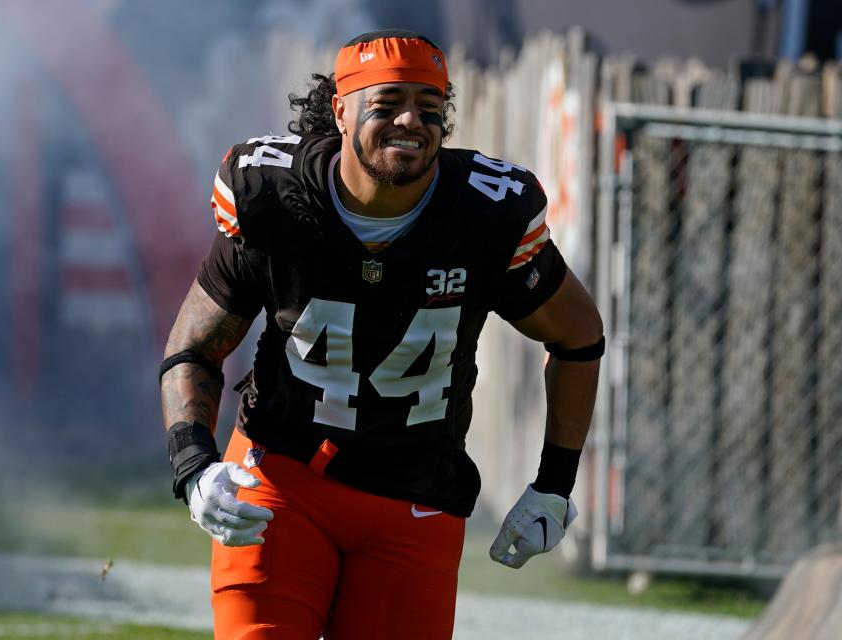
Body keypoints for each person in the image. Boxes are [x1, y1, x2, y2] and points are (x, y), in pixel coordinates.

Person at [159, 29, 603, 640]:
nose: (410, 121)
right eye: (388, 100)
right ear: (340, 110)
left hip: (414, 495)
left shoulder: (486, 215)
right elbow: (195, 345)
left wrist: (554, 485)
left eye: (429, 106)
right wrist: (195, 463)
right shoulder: (277, 198)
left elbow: (578, 335)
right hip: (282, 478)